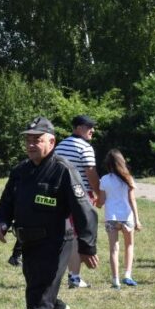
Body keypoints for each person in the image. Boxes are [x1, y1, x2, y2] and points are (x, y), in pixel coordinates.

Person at [0, 116, 99, 309]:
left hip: (56, 243)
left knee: (38, 298)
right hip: (28, 243)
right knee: (45, 297)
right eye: (28, 140)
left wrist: (87, 247)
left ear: (51, 142)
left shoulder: (63, 170)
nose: (31, 145)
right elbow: (7, 200)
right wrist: (1, 221)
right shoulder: (21, 171)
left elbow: (84, 210)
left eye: (37, 140)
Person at [54, 114, 101, 289]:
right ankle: (74, 277)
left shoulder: (60, 146)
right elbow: (91, 174)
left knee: (67, 235)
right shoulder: (85, 148)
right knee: (77, 236)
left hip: (61, 195)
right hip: (80, 195)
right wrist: (99, 194)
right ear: (79, 128)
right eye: (89, 127)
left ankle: (68, 273)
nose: (92, 130)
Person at [100, 149, 142, 288]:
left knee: (113, 249)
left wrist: (96, 202)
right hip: (126, 216)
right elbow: (132, 200)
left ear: (108, 164)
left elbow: (101, 201)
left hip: (111, 217)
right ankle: (127, 275)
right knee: (129, 245)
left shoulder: (104, 179)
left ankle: (115, 280)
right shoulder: (127, 178)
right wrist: (137, 219)